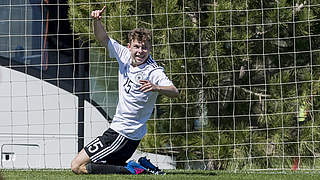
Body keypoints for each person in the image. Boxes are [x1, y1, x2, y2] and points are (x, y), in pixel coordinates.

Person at [71, 6, 179, 175]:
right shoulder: (124, 55)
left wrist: (156, 87)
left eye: (144, 48)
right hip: (121, 133)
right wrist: (96, 21)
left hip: (123, 134)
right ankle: (138, 166)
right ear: (129, 46)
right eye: (137, 47)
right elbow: (103, 38)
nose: (140, 51)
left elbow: (174, 91)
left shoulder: (153, 71)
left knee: (77, 166)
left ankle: (135, 170)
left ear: (150, 48)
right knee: (98, 165)